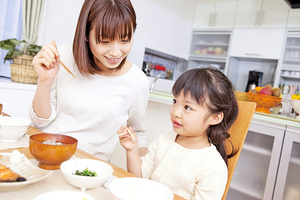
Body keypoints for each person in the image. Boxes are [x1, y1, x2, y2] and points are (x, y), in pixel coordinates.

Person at [29, 0, 149, 162]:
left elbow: (138, 132)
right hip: (47, 152)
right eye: (105, 41)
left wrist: (140, 178)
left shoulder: (137, 81)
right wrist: (45, 80)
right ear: (85, 33)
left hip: (90, 169)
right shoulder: (63, 56)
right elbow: (40, 123)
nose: (115, 52)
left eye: (125, 40)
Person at [118, 67, 239, 200]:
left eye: (187, 107)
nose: (175, 112)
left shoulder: (213, 166)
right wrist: (132, 150)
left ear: (215, 118)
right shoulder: (163, 140)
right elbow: (139, 177)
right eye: (175, 101)